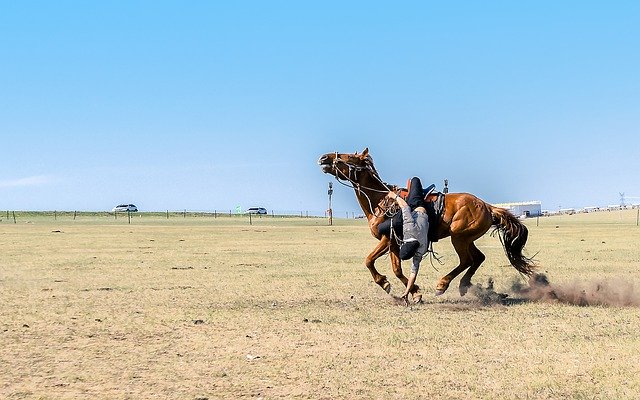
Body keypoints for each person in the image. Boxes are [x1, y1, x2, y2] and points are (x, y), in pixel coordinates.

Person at [386, 177, 430, 304]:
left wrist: (406, 292)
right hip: (417, 208)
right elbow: (404, 206)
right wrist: (394, 196)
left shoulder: (421, 249)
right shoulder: (409, 230)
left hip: (421, 212)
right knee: (415, 180)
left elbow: (413, 274)